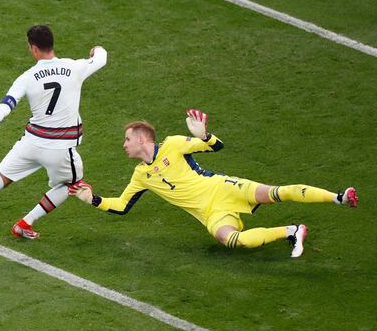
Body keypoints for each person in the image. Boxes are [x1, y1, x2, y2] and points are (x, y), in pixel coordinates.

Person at [70, 109, 358, 258]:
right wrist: (93, 200)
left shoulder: (172, 144)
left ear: (142, 139)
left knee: (276, 193)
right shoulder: (140, 175)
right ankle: (293, 231)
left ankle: (339, 198)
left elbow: (215, 147)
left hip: (223, 187)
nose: (124, 145)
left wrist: (204, 135)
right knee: (232, 240)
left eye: (128, 140)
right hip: (211, 214)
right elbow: (121, 207)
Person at [0, 25, 107, 239]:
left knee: (2, 177)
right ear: (51, 44)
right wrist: (96, 49)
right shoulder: (74, 67)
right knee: (72, 185)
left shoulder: (27, 77)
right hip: (60, 148)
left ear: (33, 49)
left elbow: (7, 104)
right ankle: (25, 223)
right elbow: (102, 58)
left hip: (31, 142)